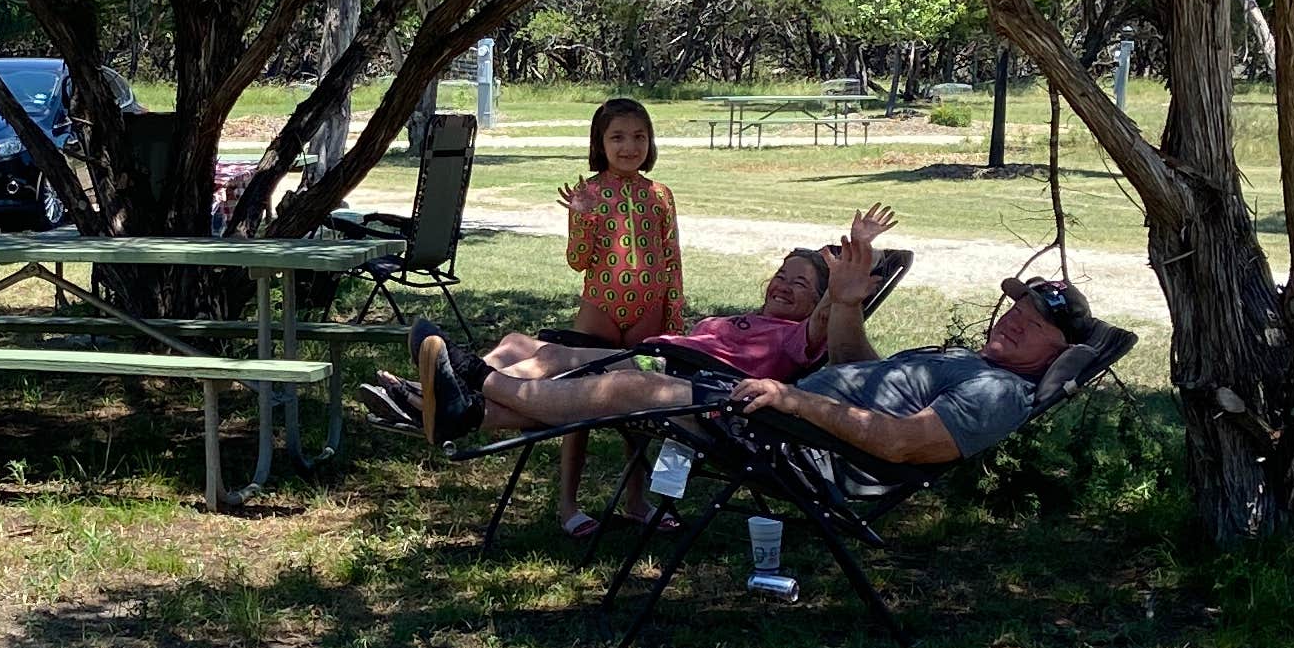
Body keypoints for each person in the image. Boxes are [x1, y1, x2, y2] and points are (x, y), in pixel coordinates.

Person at [421, 233, 1100, 477]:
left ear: (1058, 352)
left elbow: (897, 444)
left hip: (797, 445)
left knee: (635, 389)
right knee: (606, 378)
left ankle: (474, 381)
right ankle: (459, 408)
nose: (1012, 322)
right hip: (788, 418)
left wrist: (794, 398)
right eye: (1014, 307)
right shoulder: (967, 362)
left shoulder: (999, 394)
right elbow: (856, 360)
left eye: (1032, 323)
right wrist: (847, 300)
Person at [551, 96, 683, 538]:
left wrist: (674, 316)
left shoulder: (661, 194)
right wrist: (581, 219)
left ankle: (637, 498)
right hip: (599, 308)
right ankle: (567, 503)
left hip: (649, 307)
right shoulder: (587, 192)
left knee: (643, 406)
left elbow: (672, 259)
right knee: (580, 403)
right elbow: (578, 260)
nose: (629, 146)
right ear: (600, 143)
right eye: (618, 137)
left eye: (639, 136)